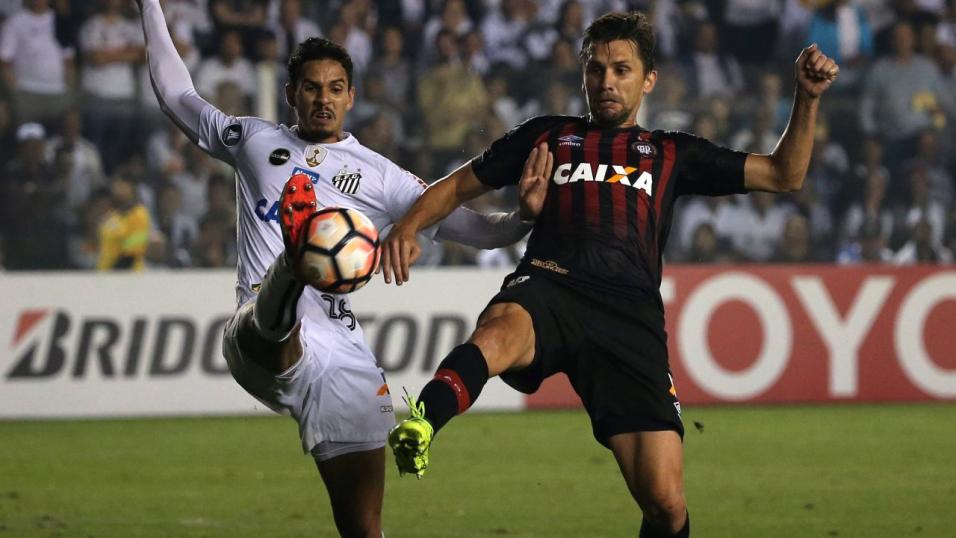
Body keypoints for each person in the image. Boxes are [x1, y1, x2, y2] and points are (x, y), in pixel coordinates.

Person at [383, 11, 839, 538]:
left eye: (621, 70)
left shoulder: (672, 152)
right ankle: (422, 422)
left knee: (666, 506)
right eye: (595, 69)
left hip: (629, 316)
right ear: (582, 75)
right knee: (499, 330)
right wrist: (409, 226)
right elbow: (457, 187)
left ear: (649, 79)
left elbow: (785, 174)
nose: (606, 82)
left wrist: (806, 99)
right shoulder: (547, 136)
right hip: (551, 285)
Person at [134, 1, 532, 536]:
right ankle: (298, 263)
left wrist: (526, 215)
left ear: (351, 96)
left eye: (335, 88)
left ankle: (304, 260)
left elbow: (484, 232)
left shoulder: (382, 177)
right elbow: (178, 95)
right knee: (282, 302)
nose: (324, 99)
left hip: (341, 353)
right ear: (292, 93)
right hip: (260, 326)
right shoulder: (255, 141)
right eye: (312, 87)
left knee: (363, 528)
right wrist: (149, 5)